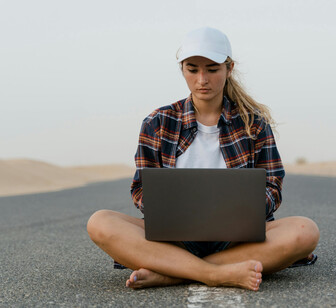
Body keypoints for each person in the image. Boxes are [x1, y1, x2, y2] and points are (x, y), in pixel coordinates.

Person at [87, 27, 319, 291]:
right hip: (175, 238)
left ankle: (173, 272)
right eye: (192, 69)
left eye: (212, 69)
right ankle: (213, 273)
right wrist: (168, 211)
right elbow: (141, 188)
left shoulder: (253, 123)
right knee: (100, 222)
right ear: (182, 69)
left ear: (229, 68)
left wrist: (243, 213)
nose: (202, 79)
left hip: (237, 240)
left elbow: (273, 186)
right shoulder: (158, 122)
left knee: (305, 230)